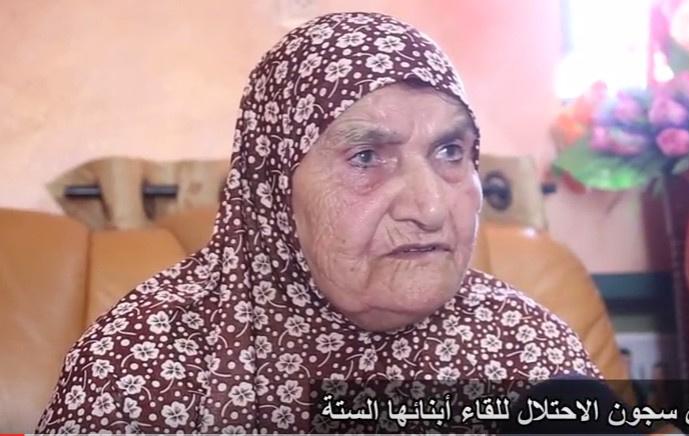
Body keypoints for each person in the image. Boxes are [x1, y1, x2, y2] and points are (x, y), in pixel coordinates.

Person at [36, 12, 599, 433]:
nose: (430, 208)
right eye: (367, 158)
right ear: (274, 191)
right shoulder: (141, 365)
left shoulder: (530, 350)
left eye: (450, 151)